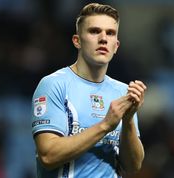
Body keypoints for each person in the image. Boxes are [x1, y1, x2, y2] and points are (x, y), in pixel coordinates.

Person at [31, 3, 147, 178]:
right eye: (94, 31)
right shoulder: (54, 85)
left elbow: (133, 165)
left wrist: (129, 119)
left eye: (110, 33)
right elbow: (48, 156)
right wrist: (105, 125)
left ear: (116, 45)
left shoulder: (123, 91)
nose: (103, 38)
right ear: (77, 41)